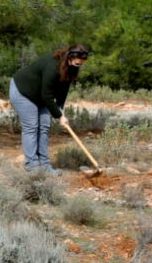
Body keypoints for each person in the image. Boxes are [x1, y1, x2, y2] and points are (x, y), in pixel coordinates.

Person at [9, 45, 91, 174]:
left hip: (40, 95)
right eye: (76, 63)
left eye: (80, 64)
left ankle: (45, 165)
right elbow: (47, 95)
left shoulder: (71, 67)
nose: (78, 65)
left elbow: (63, 90)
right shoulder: (53, 67)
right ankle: (32, 167)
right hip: (23, 91)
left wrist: (60, 109)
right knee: (31, 127)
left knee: (44, 127)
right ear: (70, 57)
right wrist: (59, 116)